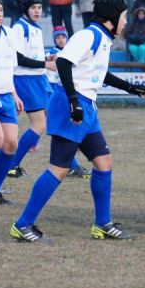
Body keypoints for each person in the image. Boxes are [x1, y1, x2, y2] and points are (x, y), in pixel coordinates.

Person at [9, 0, 145, 243]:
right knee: (59, 169)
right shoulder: (90, 35)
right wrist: (74, 102)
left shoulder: (104, 39)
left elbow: (100, 74)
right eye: (123, 16)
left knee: (104, 162)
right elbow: (64, 62)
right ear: (111, 19)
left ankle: (102, 224)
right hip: (72, 105)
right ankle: (23, 224)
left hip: (87, 107)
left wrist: (132, 88)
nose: (125, 21)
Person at [0, 0, 56, 206]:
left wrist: (15, 94)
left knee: (10, 145)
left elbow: (12, 64)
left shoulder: (8, 33)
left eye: (0, 10)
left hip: (7, 95)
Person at [6, 0, 55, 178]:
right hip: (26, 80)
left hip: (39, 79)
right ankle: (11, 164)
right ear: (26, 9)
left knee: (53, 119)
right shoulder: (19, 28)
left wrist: (47, 59)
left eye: (40, 7)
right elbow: (18, 58)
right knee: (40, 125)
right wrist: (45, 64)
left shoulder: (37, 28)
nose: (37, 11)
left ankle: (68, 164)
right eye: (33, 7)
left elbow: (33, 57)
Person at [45, 25, 90, 179]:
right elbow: (51, 66)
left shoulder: (69, 51)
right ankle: (73, 166)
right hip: (55, 92)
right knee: (65, 131)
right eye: (58, 37)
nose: (61, 39)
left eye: (63, 37)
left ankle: (73, 166)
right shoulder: (52, 53)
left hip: (63, 92)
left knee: (66, 130)